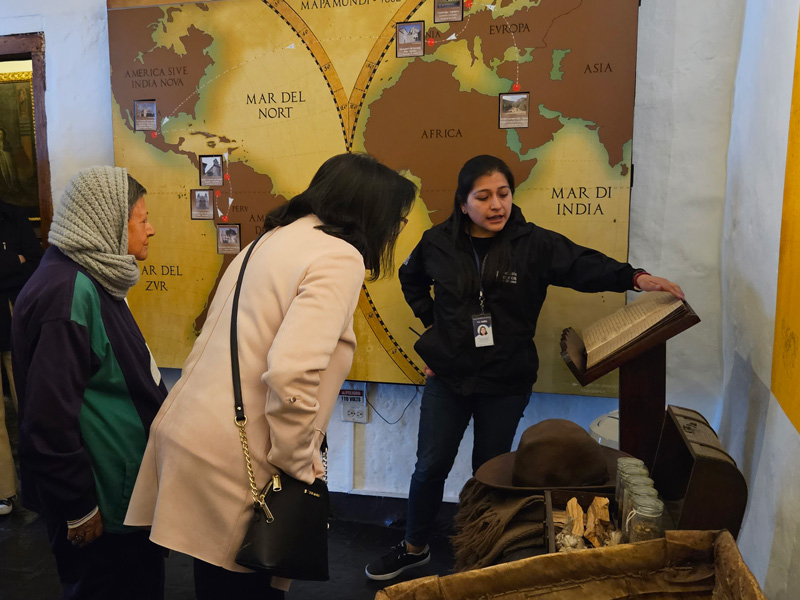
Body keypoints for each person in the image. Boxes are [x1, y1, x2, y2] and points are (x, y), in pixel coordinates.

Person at [365, 154, 684, 581]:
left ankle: (479, 554)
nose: (497, 205)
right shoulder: (436, 242)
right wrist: (436, 328)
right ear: (463, 204)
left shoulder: (535, 243)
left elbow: (584, 265)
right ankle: (413, 547)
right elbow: (411, 279)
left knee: (490, 470)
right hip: (449, 377)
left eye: (503, 194)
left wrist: (637, 278)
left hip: (506, 380)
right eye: (484, 196)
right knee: (429, 466)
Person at [125, 153, 415, 598]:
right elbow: (291, 372)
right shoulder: (339, 257)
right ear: (369, 211)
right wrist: (299, 462)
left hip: (190, 434)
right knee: (247, 587)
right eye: (396, 219)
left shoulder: (269, 239)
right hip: (238, 455)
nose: (396, 230)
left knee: (217, 582)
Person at [10, 166, 166, 599]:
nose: (150, 229)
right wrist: (79, 507)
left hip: (123, 496)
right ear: (108, 223)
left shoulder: (92, 277)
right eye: (141, 219)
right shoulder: (68, 292)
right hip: (102, 505)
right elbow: (48, 421)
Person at [0, 198, 42, 515]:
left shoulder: (13, 215)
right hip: (11, 308)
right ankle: (5, 491)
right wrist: (12, 260)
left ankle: (43, 483)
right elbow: (22, 264)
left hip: (14, 318)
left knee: (31, 403)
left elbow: (36, 263)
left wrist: (12, 264)